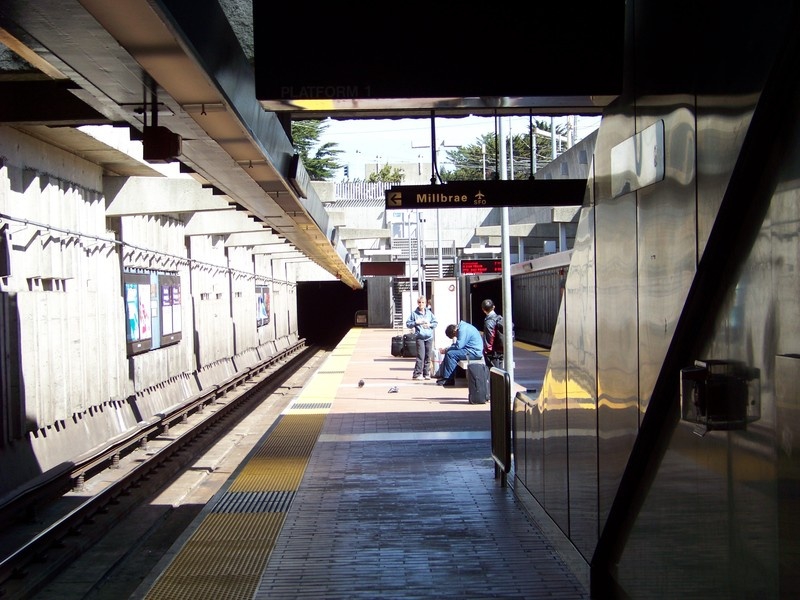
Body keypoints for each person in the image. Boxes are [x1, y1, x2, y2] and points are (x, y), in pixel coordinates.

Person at [436, 320, 483, 386]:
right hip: (472, 350)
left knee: (450, 354)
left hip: (474, 352)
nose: (456, 337)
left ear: (454, 332)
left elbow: (459, 346)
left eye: (455, 336)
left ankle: (449, 379)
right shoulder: (463, 327)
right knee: (449, 352)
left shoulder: (462, 330)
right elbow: (459, 345)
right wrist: (447, 349)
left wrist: (446, 350)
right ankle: (445, 377)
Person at [405, 296, 438, 380]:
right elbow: (408, 324)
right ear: (417, 303)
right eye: (419, 302)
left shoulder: (429, 313)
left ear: (425, 303)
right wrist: (416, 322)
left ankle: (426, 373)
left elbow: (435, 322)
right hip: (420, 337)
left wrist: (429, 325)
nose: (421, 304)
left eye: (423, 302)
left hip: (429, 337)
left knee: (428, 355)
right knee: (421, 355)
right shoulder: (414, 313)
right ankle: (417, 373)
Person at [481, 299, 503, 369]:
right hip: (500, 349)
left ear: (483, 310)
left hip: (493, 352)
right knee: (500, 372)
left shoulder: (489, 321)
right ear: (494, 307)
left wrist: (487, 351)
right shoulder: (500, 318)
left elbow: (490, 336)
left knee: (494, 372)